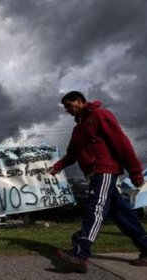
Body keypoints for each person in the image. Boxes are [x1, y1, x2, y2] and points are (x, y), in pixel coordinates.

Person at [48, 91, 147, 273]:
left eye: (69, 106)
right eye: (65, 108)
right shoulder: (78, 129)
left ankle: (80, 254)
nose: (67, 110)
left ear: (79, 101)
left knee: (95, 209)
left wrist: (135, 170)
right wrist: (57, 167)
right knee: (122, 214)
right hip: (94, 175)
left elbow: (121, 142)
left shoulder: (100, 116)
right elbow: (72, 154)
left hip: (104, 171)